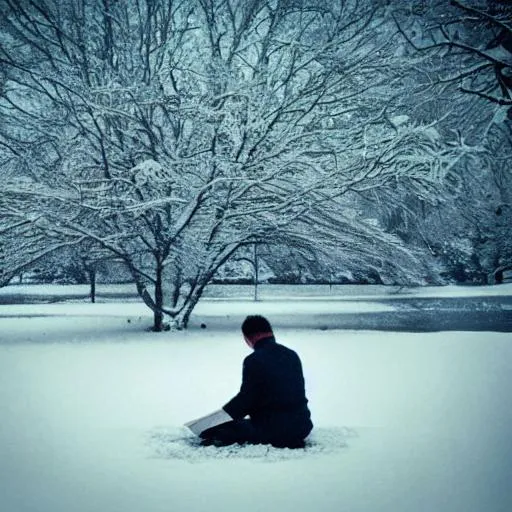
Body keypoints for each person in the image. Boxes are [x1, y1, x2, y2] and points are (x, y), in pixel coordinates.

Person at [200, 315, 313, 448]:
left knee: (218, 431)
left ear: (248, 338)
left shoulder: (253, 360)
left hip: (272, 430)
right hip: (301, 426)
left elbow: (246, 400)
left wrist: (219, 419)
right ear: (271, 333)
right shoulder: (292, 355)